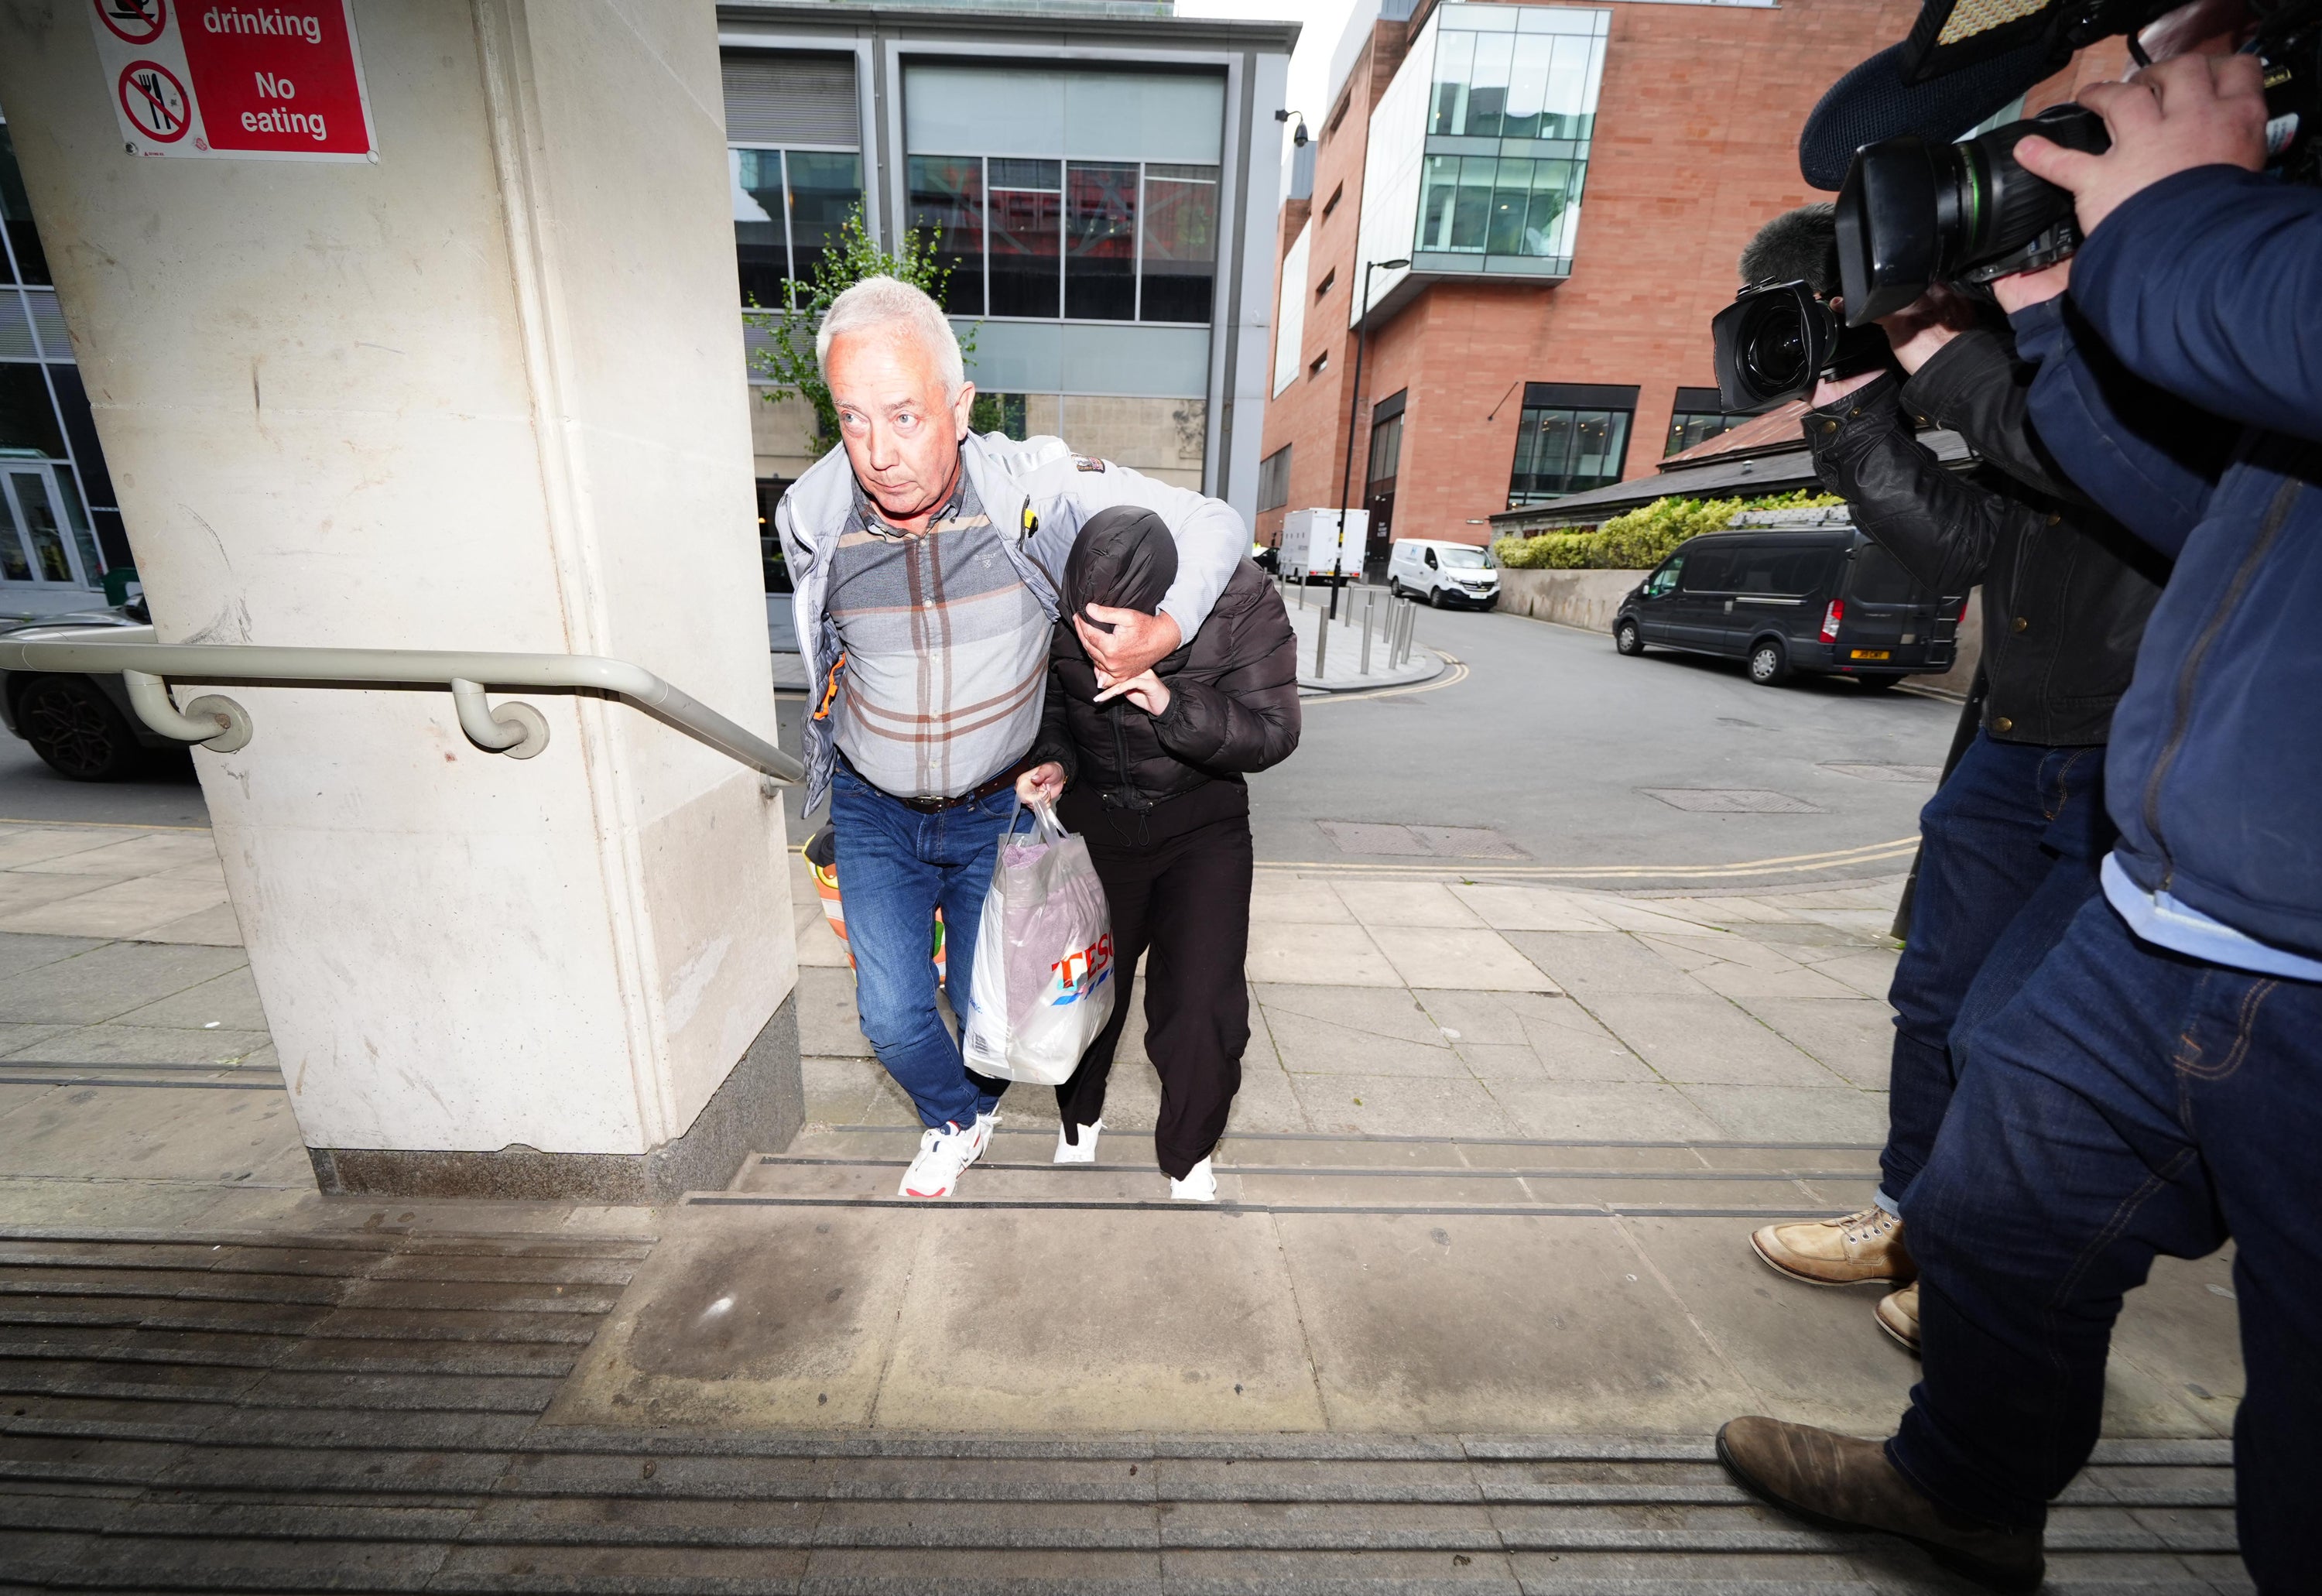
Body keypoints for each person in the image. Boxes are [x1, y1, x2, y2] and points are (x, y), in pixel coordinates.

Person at [1718, 48, 2322, 1596]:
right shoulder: (2146, 325)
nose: (2168, 75)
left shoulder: (2208, 264)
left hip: (2222, 882)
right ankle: (1964, 1487)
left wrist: (2160, 233)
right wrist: (1930, 368)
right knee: (1987, 1200)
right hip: (2175, 886)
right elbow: (2122, 498)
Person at [1737, 210, 2168, 1353]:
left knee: (2013, 1029)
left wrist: (1944, 351)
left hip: (2135, 759)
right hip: (2011, 741)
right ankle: (1908, 1222)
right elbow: (1967, 545)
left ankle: (1988, 1273)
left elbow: (2112, 472)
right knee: (1932, 1002)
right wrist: (1849, 416)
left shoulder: (2131, 341)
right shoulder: (2017, 378)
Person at [775, 276, 1246, 1201]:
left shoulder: (1032, 490)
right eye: (853, 419)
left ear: (961, 406)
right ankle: (956, 1117)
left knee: (997, 1007)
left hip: (998, 803)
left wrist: (1169, 626)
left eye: (906, 416)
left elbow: (1215, 522)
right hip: (876, 807)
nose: (879, 452)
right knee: (893, 1014)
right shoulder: (812, 515)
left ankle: (980, 1101)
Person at [1014, 507, 1299, 1201]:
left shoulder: (1241, 600)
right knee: (1083, 991)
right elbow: (1051, 702)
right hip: (1098, 825)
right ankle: (1079, 1118)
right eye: (1084, 624)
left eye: (1116, 630)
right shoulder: (1057, 596)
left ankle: (1188, 1149)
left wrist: (1170, 702)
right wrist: (1052, 761)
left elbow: (1273, 733)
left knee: (1202, 1003)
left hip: (1202, 826)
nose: (1096, 641)